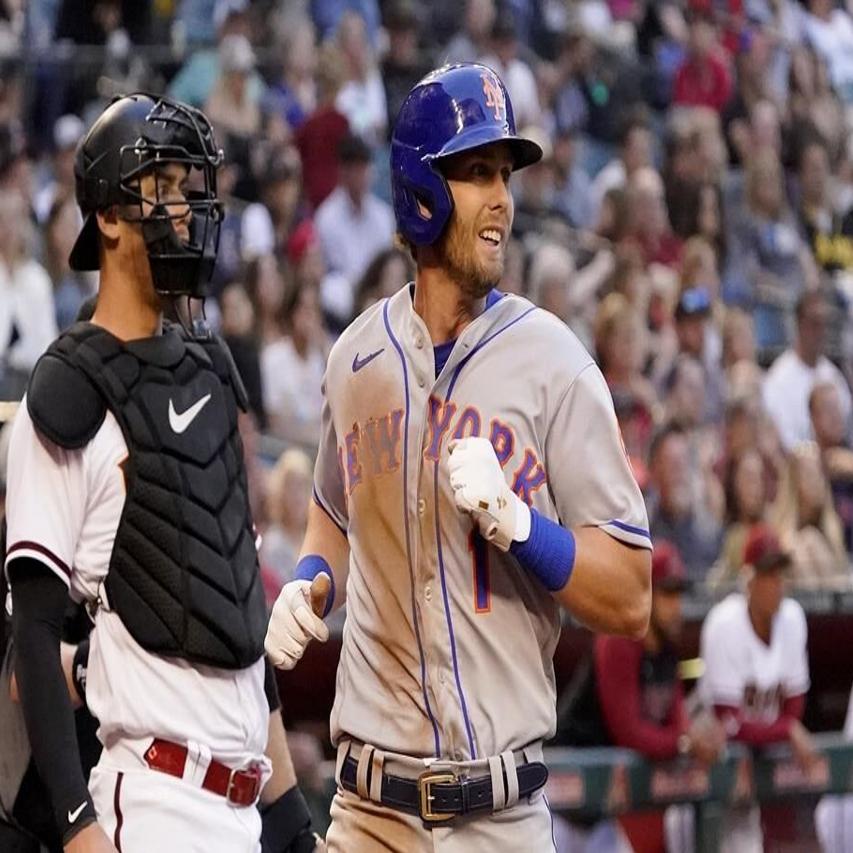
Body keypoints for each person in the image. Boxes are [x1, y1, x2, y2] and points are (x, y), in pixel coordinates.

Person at [265, 62, 652, 851]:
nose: (501, 199)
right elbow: (332, 518)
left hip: (497, 816)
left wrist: (520, 524)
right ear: (420, 188)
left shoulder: (555, 363)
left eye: (504, 174)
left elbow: (631, 595)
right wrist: (310, 580)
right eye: (477, 173)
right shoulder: (355, 359)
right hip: (367, 812)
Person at [4, 94, 321, 853]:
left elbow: (235, 609)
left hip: (244, 800)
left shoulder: (212, 370)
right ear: (108, 216)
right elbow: (35, 633)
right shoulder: (70, 387)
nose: (186, 210)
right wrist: (81, 830)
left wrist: (289, 818)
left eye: (190, 189)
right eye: (165, 188)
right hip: (151, 799)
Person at [557, 540, 724, 853]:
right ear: (645, 593)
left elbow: (677, 719)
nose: (676, 605)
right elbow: (629, 732)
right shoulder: (617, 639)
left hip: (600, 812)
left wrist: (695, 737)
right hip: (562, 796)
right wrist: (686, 743)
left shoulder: (667, 648)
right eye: (667, 593)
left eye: (678, 594)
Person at [699, 522, 817, 853]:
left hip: (757, 768)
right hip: (709, 775)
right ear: (749, 579)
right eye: (769, 574)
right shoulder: (724, 623)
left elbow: (794, 706)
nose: (778, 583)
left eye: (781, 573)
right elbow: (728, 722)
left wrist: (783, 728)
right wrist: (787, 730)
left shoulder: (792, 619)